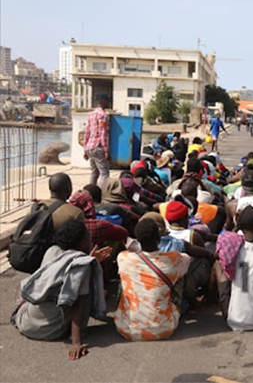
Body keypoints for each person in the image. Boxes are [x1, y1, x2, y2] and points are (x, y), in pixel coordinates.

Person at [12, 220, 109, 360]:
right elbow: (79, 305)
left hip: (25, 322)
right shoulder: (82, 266)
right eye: (87, 236)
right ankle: (73, 332)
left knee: (22, 285)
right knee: (87, 293)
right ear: (81, 242)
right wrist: (76, 343)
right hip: (51, 331)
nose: (90, 238)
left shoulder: (52, 251)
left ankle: (19, 308)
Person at [114, 219, 191, 341]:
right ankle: (187, 305)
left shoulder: (123, 257)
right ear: (159, 238)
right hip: (163, 328)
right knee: (179, 274)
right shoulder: (173, 259)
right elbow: (187, 260)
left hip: (127, 328)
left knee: (124, 279)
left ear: (138, 240)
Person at [83, 93, 111, 187]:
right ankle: (102, 195)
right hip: (98, 147)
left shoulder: (91, 114)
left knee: (94, 173)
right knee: (104, 173)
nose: (109, 103)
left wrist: (85, 149)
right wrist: (106, 150)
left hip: (90, 147)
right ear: (102, 102)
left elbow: (87, 132)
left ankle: (91, 193)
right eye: (107, 101)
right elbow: (102, 133)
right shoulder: (103, 115)